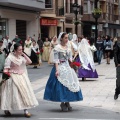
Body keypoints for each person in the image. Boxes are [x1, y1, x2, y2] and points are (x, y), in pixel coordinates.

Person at [44, 32, 83, 112]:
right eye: (65, 38)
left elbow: (70, 60)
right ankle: (62, 102)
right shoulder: (57, 48)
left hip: (67, 67)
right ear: (61, 38)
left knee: (69, 85)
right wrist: (57, 70)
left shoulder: (68, 48)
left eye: (67, 38)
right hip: (60, 67)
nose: (66, 40)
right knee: (61, 85)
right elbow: (56, 60)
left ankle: (67, 102)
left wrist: (75, 64)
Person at [0, 43, 38, 117]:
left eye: (22, 49)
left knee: (24, 92)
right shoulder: (10, 58)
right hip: (12, 76)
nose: (21, 51)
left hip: (21, 76)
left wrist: (23, 54)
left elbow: (30, 62)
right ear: (15, 50)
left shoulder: (21, 57)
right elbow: (6, 68)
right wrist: (4, 78)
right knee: (10, 94)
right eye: (19, 50)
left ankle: (26, 110)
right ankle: (6, 109)